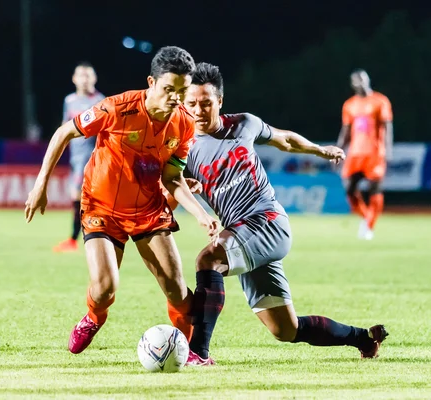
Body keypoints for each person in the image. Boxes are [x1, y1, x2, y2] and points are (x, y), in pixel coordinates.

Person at [177, 62, 388, 366]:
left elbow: (285, 139)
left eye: (206, 103)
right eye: (192, 103)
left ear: (219, 101)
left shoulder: (243, 124)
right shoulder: (184, 148)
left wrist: (320, 150)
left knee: (207, 260)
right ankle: (363, 339)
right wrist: (191, 191)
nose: (198, 110)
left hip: (267, 222)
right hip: (241, 234)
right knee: (285, 330)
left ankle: (198, 353)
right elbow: (173, 186)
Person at [25, 47, 220, 354]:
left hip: (148, 210)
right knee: (104, 291)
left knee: (179, 293)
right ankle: (93, 316)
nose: (176, 98)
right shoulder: (117, 108)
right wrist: (41, 185)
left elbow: (172, 178)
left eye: (182, 91)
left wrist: (199, 213)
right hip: (101, 207)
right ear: (151, 83)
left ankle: (187, 351)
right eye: (169, 89)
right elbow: (63, 133)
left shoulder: (183, 124)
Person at [53, 62, 105, 252]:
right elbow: (64, 128)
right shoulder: (70, 101)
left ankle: (80, 238)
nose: (84, 79)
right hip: (76, 158)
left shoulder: (100, 101)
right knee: (77, 198)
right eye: (80, 75)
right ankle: (79, 238)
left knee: (83, 199)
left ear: (94, 78)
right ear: (74, 79)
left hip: (93, 159)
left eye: (87, 75)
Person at [337, 69, 393, 240]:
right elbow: (346, 130)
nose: (361, 82)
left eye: (364, 78)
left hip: (375, 153)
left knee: (375, 188)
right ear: (353, 84)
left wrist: (388, 149)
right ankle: (366, 216)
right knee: (349, 188)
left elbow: (387, 127)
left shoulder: (380, 101)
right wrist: (338, 149)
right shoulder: (349, 105)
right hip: (355, 153)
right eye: (358, 80)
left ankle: (369, 226)